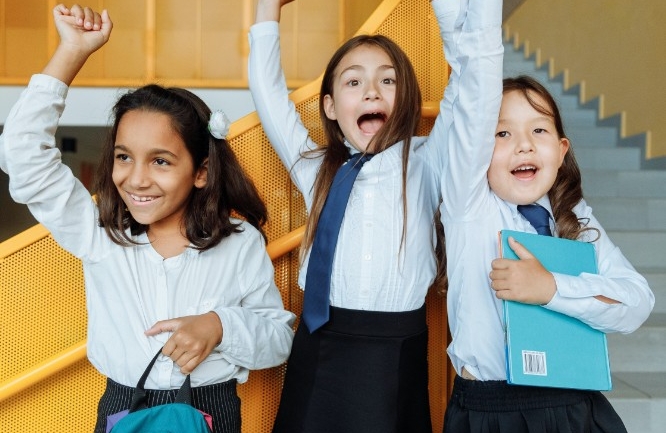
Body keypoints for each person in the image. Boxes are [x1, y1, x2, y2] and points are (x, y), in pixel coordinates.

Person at [0, 5, 295, 433]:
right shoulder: (100, 235)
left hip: (212, 409)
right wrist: (72, 52)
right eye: (124, 157)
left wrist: (220, 326)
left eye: (160, 161)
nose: (136, 179)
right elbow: (22, 155)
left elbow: (280, 341)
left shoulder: (239, 241)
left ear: (201, 172)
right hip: (123, 406)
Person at [438, 0, 655, 431]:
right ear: (479, 151)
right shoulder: (469, 208)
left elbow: (636, 301)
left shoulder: (573, 217)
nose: (523, 144)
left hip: (574, 406)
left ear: (561, 150)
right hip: (489, 410)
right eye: (501, 132)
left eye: (539, 129)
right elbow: (474, 97)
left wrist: (551, 288)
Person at [248, 0, 451, 432]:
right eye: (354, 81)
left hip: (394, 350)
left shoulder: (429, 162)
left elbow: (471, 94)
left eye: (388, 80)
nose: (372, 92)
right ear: (331, 107)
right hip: (318, 343)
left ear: (408, 100)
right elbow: (268, 95)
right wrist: (267, 11)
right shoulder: (315, 169)